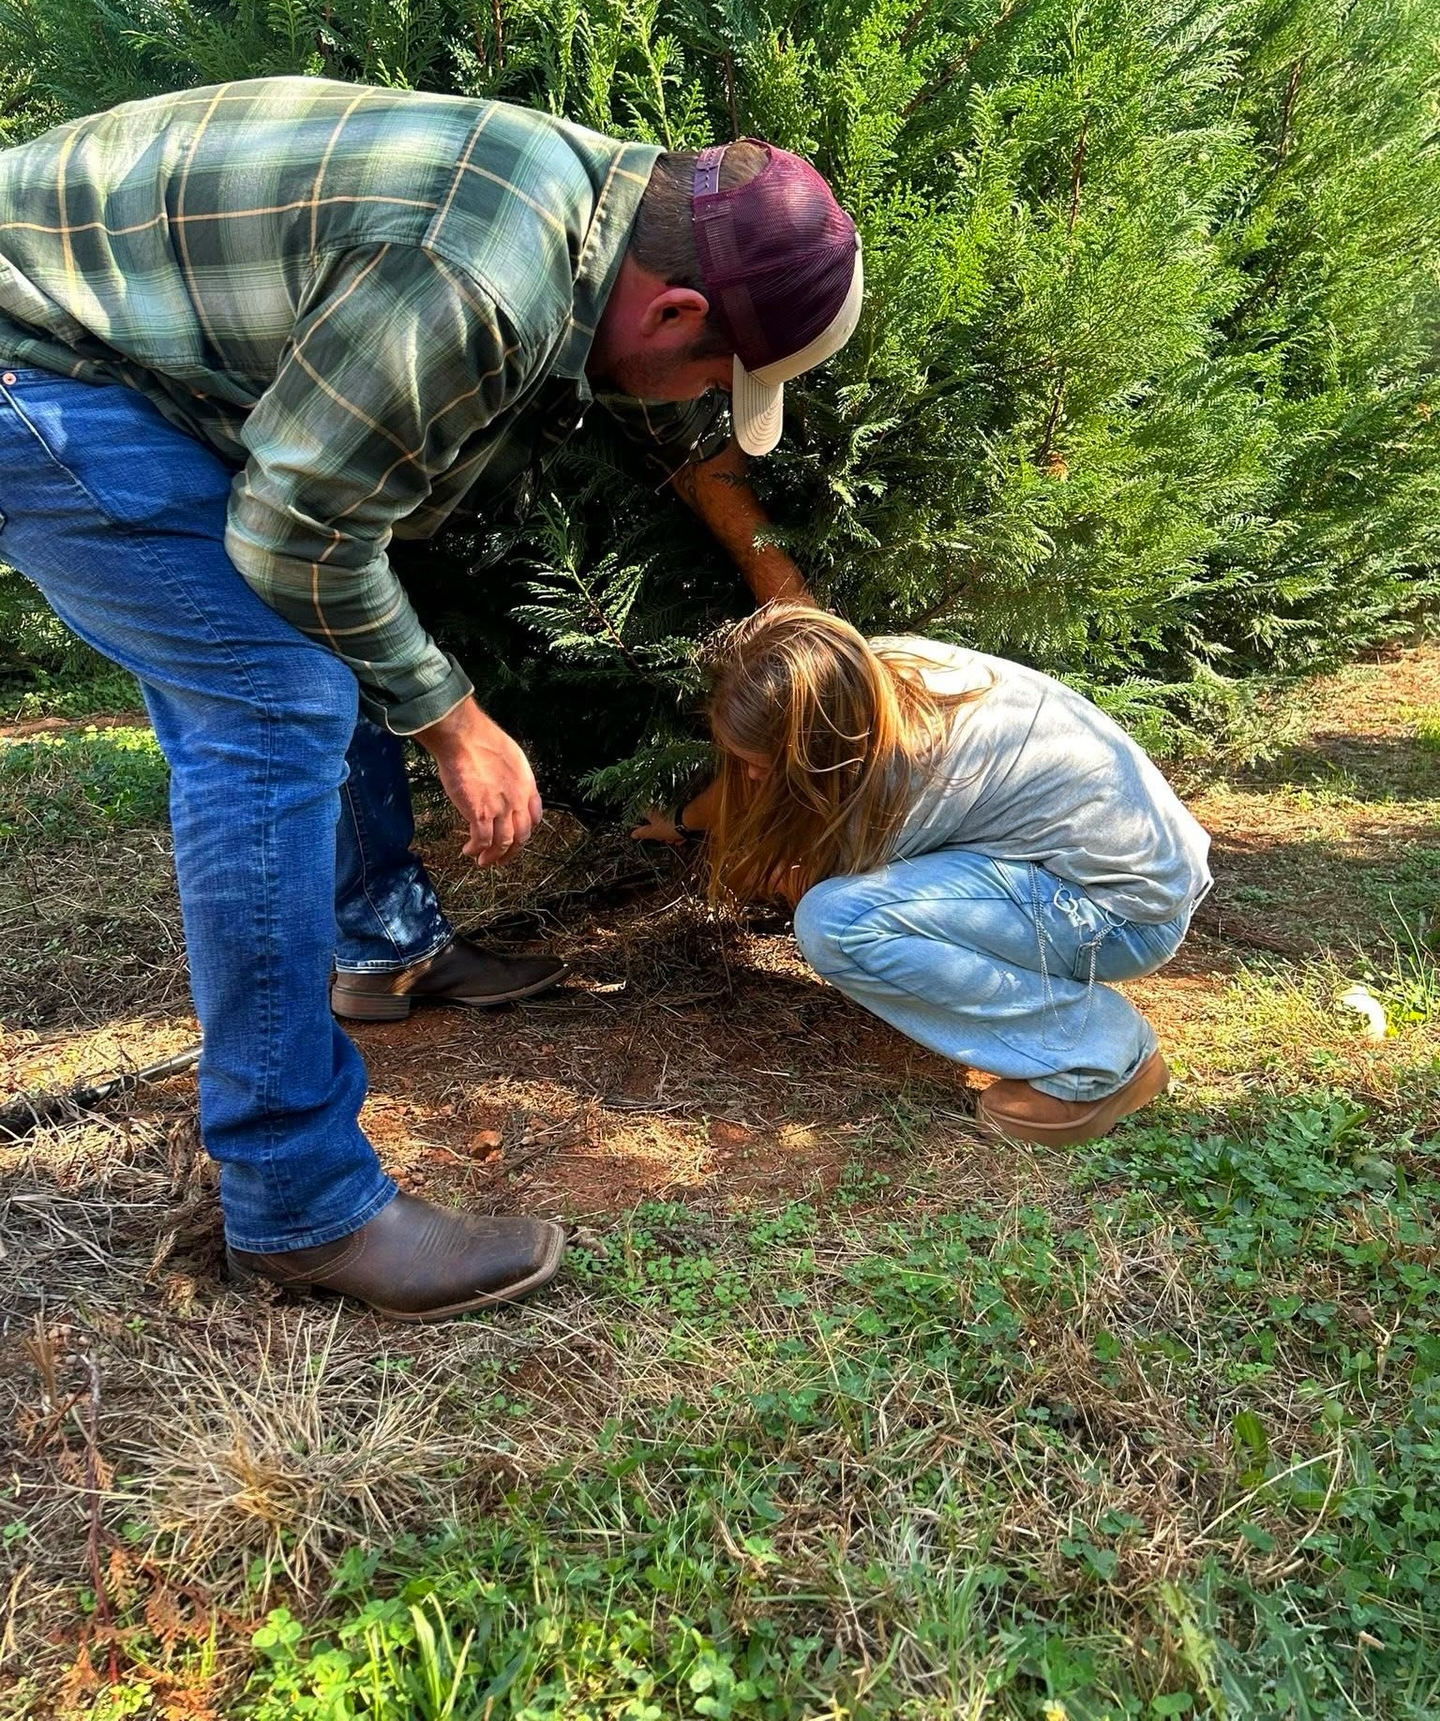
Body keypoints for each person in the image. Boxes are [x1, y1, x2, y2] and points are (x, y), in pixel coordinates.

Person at [0, 78, 863, 1316]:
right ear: (673, 309)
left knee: (312, 652)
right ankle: (296, 1204)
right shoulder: (477, 283)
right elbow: (294, 537)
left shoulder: (576, 195)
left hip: (95, 344)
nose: (694, 405)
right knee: (276, 706)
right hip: (37, 365)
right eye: (714, 378)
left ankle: (377, 944)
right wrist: (451, 718)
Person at [638, 605, 1211, 1146]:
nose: (750, 776)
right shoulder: (866, 672)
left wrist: (768, 865)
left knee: (838, 921)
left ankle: (1101, 1058)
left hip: (1121, 919)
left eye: (763, 766)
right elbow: (755, 778)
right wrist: (684, 824)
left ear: (817, 754)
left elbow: (805, 879)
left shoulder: (906, 775)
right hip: (1133, 876)